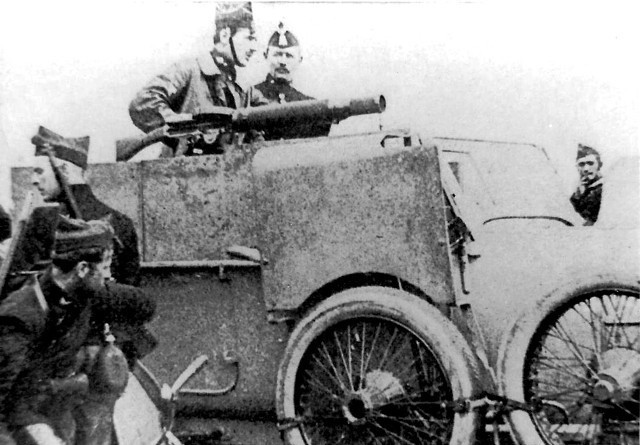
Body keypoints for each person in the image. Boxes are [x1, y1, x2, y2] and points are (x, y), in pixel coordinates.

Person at [0, 217, 115, 445]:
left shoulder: (82, 293)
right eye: (105, 266)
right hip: (23, 419)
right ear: (82, 268)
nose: (109, 275)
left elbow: (142, 302)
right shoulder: (21, 315)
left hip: (61, 411)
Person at [128, 2, 268, 156]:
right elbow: (142, 103)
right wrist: (184, 127)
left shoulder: (243, 87)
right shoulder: (189, 70)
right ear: (225, 35)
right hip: (182, 172)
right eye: (249, 38)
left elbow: (267, 115)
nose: (254, 47)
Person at [31, 126, 140, 285]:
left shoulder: (48, 225)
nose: (34, 179)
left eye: (39, 171)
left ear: (65, 171)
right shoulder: (122, 223)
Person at [252, 22, 331, 140]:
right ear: (265, 56)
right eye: (277, 54)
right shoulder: (250, 97)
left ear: (299, 60)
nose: (282, 61)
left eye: (289, 56)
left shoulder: (310, 105)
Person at [570, 144, 604, 226]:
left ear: (599, 165)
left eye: (590, 163)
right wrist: (579, 194)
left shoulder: (605, 189)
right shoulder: (578, 191)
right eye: (581, 164)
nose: (586, 169)